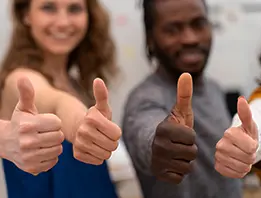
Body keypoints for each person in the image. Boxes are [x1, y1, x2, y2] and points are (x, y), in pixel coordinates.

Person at [0, 0, 121, 197]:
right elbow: (58, 103)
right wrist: (80, 124)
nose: (63, 22)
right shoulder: (20, 81)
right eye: (48, 7)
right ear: (26, 15)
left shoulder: (76, 84)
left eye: (74, 9)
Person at [122, 0, 243, 197]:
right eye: (172, 30)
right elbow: (145, 131)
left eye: (198, 24)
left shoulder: (214, 89)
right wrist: (158, 145)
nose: (190, 39)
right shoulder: (144, 99)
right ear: (150, 39)